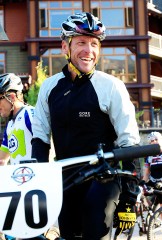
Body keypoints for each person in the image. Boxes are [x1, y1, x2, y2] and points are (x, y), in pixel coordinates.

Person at [31, 12, 140, 240]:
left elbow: (129, 140)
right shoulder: (50, 88)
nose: (88, 51)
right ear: (65, 47)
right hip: (65, 181)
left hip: (103, 179)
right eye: (81, 43)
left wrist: (129, 197)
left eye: (94, 44)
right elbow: (40, 138)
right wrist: (37, 185)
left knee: (93, 226)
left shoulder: (111, 86)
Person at [0, 73, 59, 240]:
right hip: (21, 190)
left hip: (39, 190)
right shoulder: (10, 125)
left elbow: (48, 147)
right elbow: (2, 160)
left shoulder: (30, 114)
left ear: (11, 97)